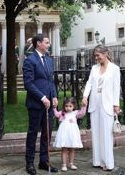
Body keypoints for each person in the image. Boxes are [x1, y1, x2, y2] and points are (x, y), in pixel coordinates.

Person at [22, 34, 59, 175]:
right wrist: (43, 97)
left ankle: (44, 161)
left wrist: (54, 95)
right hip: (36, 104)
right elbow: (28, 84)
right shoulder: (30, 61)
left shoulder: (49, 60)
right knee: (33, 133)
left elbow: (51, 80)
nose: (49, 45)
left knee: (47, 133)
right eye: (47, 42)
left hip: (49, 105)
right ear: (38, 44)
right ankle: (29, 162)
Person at [82, 44, 120, 171]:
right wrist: (85, 96)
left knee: (106, 134)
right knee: (96, 133)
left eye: (98, 55)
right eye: (95, 56)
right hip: (95, 104)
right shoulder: (94, 68)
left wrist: (116, 104)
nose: (96, 58)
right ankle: (97, 161)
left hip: (107, 105)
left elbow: (116, 88)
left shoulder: (114, 69)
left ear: (105, 54)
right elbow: (89, 83)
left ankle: (108, 162)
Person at [53, 97, 87, 172]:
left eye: (70, 106)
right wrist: (54, 107)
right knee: (64, 149)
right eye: (66, 106)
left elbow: (82, 113)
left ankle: (71, 163)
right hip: (64, 133)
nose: (68, 108)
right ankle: (64, 164)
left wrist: (84, 106)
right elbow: (56, 114)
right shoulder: (62, 113)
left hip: (72, 133)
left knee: (72, 149)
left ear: (74, 106)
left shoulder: (75, 113)